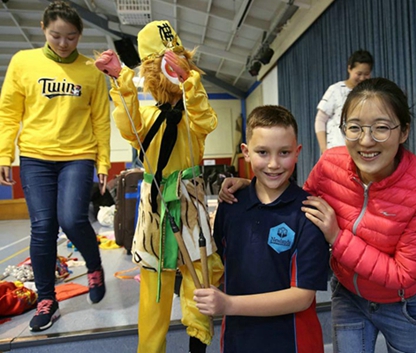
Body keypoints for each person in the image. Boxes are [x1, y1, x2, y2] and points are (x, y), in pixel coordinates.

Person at [219, 78, 416, 352]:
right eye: (354, 128)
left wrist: (337, 238)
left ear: (404, 131)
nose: (366, 140)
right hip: (349, 296)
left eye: (382, 128)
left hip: (402, 303)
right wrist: (253, 187)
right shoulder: (330, 166)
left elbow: (403, 274)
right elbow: (296, 203)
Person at [95, 20, 223, 353]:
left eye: (179, 59)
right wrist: (119, 81)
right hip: (155, 211)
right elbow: (128, 125)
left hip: (189, 204)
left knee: (199, 282)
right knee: (154, 287)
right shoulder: (149, 115)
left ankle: (199, 347)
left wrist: (190, 84)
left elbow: (206, 120)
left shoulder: (195, 112)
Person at [0, 1, 109, 332]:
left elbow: (101, 119)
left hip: (78, 154)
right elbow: (9, 110)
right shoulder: (24, 62)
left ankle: (94, 266)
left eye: (72, 37)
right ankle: (47, 300)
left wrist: (103, 161)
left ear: (80, 35)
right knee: (43, 227)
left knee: (73, 219)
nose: (64, 44)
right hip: (35, 156)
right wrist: (5, 154)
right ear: (44, 30)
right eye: (56, 36)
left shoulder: (91, 71)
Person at [194, 105, 330, 353]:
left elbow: (302, 297)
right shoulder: (231, 205)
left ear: (297, 152)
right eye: (263, 152)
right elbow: (220, 269)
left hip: (293, 342)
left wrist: (229, 304)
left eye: (284, 152)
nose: (274, 164)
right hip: (238, 340)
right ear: (245, 152)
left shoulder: (308, 213)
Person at [315, 49, 373, 153]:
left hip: (360, 151)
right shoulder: (335, 90)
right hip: (336, 150)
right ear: (349, 68)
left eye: (366, 74)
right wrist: (324, 149)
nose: (362, 78)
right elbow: (320, 120)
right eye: (359, 73)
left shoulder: (370, 94)